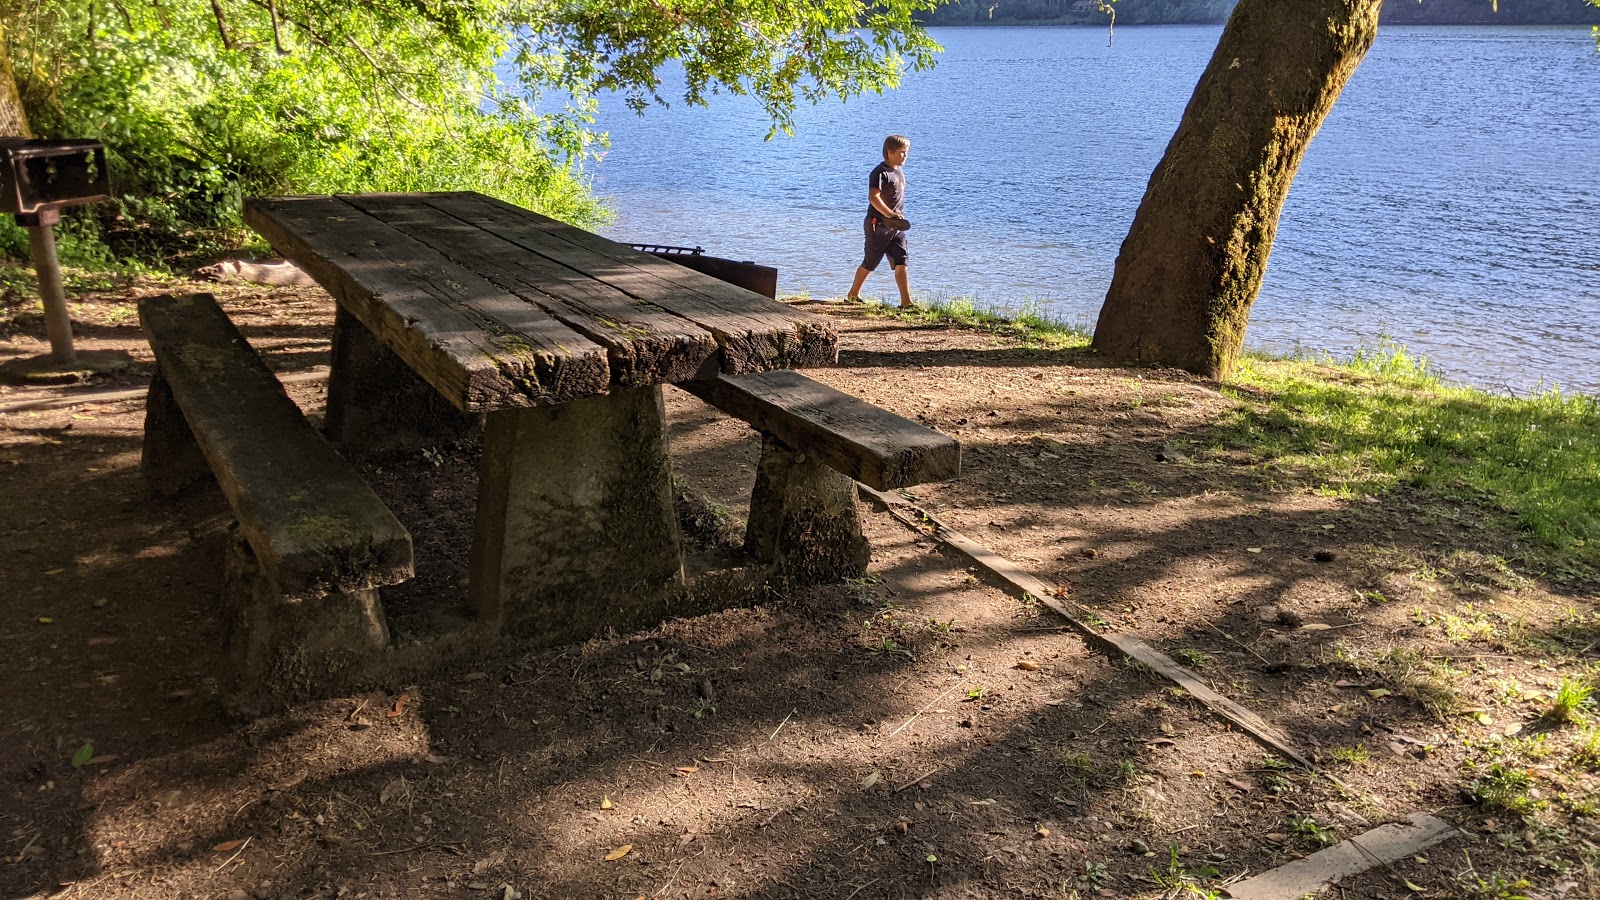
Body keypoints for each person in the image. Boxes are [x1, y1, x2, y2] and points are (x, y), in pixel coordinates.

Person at [845, 134, 914, 309]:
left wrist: (896, 217)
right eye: (902, 152)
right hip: (878, 224)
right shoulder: (879, 172)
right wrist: (890, 214)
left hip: (896, 226)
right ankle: (853, 294)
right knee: (871, 262)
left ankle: (906, 302)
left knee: (901, 259)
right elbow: (873, 197)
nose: (905, 156)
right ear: (890, 152)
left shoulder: (898, 170)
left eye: (906, 153)